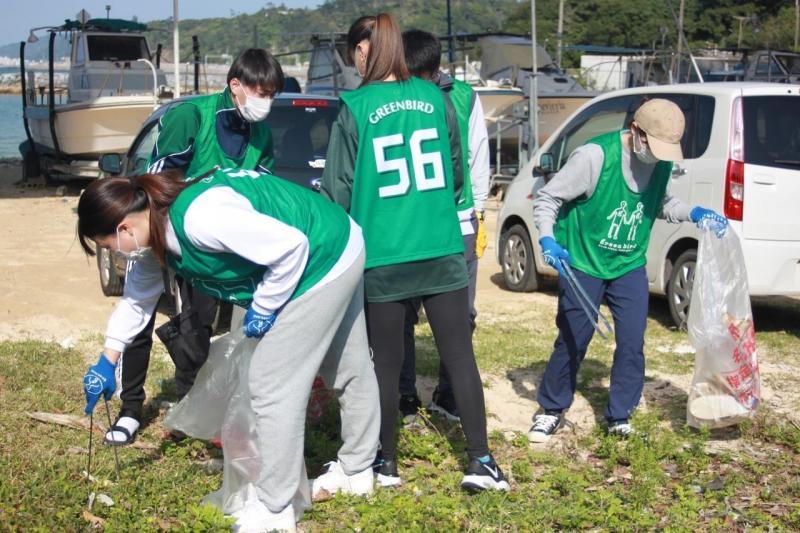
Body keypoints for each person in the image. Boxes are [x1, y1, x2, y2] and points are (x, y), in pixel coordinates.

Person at [79, 167, 380, 531]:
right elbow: (137, 303)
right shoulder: (152, 235)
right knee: (347, 361)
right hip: (335, 238)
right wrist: (106, 361)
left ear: (124, 228)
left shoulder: (201, 218)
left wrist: (265, 307)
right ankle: (358, 470)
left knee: (271, 384)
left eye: (109, 246)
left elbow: (291, 248)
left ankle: (276, 508)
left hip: (322, 255)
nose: (115, 253)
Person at [321, 13, 508, 492]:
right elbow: (456, 174)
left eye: (356, 51)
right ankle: (482, 461)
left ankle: (386, 464)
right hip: (441, 248)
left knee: (384, 363)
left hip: (383, 254)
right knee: (460, 358)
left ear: (367, 51)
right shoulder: (436, 97)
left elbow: (337, 193)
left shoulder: (355, 106)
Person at [105, 48, 284, 446]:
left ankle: (189, 405)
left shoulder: (262, 133)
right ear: (235, 85)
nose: (266, 101)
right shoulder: (192, 117)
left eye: (272, 94)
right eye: (261, 92)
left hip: (210, 243)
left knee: (198, 322)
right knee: (141, 311)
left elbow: (261, 189)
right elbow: (155, 181)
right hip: (161, 228)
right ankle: (130, 408)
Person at [528, 98, 729, 442]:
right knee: (575, 338)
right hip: (584, 262)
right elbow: (549, 198)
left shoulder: (661, 161)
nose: (658, 154)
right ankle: (551, 408)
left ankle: (620, 415)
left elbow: (661, 202)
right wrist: (547, 239)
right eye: (654, 145)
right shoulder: (594, 157)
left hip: (628, 264)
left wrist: (695, 213)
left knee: (632, 342)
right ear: (635, 131)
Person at [397, 29, 491, 423]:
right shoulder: (390, 97)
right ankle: (404, 396)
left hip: (456, 222)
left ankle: (448, 395)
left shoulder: (463, 97)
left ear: (435, 72)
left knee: (460, 315)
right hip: (407, 221)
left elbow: (477, 154)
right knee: (400, 314)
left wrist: (480, 211)